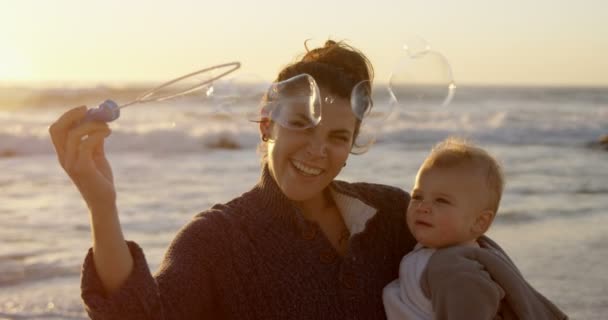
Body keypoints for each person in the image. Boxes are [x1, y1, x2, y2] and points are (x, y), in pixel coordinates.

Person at [49, 40, 418, 319]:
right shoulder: (216, 240)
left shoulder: (392, 214)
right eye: (301, 124)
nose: (317, 150)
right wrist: (102, 205)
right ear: (266, 124)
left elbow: (467, 268)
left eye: (338, 137)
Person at [382, 137, 568, 320]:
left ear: (479, 222)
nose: (423, 206)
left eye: (441, 200)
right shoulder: (454, 253)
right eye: (417, 196)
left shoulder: (456, 271)